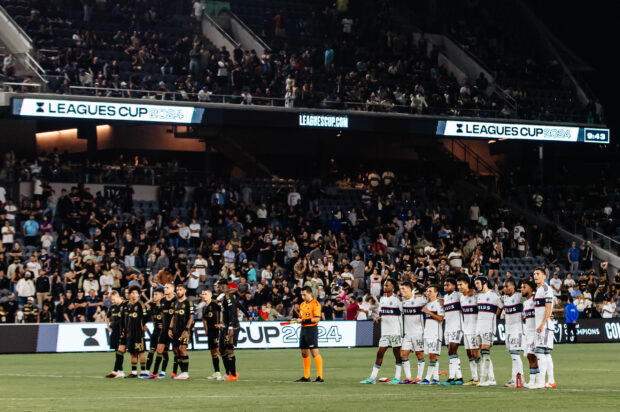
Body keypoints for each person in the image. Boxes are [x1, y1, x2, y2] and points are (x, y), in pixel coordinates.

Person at [360, 278, 402, 384]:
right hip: (385, 332)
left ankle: (397, 377)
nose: (385, 287)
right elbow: (381, 313)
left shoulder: (397, 299)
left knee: (397, 354)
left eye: (387, 285)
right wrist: (378, 318)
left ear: (393, 287)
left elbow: (403, 314)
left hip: (395, 331)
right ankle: (372, 377)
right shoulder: (382, 299)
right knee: (380, 353)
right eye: (384, 285)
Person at [474, 276, 502, 386]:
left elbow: (502, 306)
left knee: (485, 353)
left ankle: (482, 379)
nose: (476, 285)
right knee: (483, 354)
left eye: (477, 283)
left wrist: (495, 314)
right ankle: (492, 379)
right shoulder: (479, 296)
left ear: (484, 282)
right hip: (479, 327)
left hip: (488, 327)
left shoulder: (494, 295)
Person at [530, 268, 555, 389]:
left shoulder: (546, 288)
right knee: (545, 353)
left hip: (544, 326)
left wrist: (542, 324)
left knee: (540, 352)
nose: (535, 276)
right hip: (544, 325)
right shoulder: (539, 290)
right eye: (534, 274)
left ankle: (541, 382)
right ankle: (550, 381)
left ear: (544, 276)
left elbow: (548, 307)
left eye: (538, 274)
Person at [293, 286, 324, 382]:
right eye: (302, 295)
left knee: (314, 352)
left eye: (304, 295)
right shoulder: (302, 304)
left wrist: (303, 320)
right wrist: (298, 320)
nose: (303, 297)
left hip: (311, 329)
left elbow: (317, 318)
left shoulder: (315, 304)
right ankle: (306, 377)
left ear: (310, 294)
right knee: (304, 353)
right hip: (303, 329)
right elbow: (301, 318)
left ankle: (320, 377)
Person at [398, 284, 426, 384]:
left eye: (403, 288)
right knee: (404, 355)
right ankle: (408, 378)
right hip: (407, 333)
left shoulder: (419, 300)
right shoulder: (402, 302)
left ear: (410, 289)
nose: (401, 291)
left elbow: (431, 298)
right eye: (400, 289)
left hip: (418, 332)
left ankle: (418, 378)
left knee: (419, 355)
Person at [457, 275, 481, 385]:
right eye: (458, 285)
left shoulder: (475, 296)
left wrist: (474, 291)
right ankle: (474, 378)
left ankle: (482, 377)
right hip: (465, 329)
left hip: (474, 329)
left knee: (475, 354)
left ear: (467, 284)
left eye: (461, 284)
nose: (459, 287)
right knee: (469, 354)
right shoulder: (461, 298)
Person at [501, 278, 524, 387]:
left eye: (507, 286)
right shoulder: (504, 298)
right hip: (508, 329)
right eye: (504, 286)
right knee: (512, 354)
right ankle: (514, 377)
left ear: (514, 286)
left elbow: (530, 300)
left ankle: (519, 379)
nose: (505, 288)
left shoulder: (519, 296)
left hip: (517, 329)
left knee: (515, 354)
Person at [216, 279, 241, 381]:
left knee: (229, 349)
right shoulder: (224, 297)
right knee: (222, 350)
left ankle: (233, 374)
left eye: (220, 286)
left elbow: (231, 312)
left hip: (230, 327)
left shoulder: (228, 296)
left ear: (224, 286)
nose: (219, 288)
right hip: (224, 327)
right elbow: (239, 305)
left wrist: (230, 326)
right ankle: (228, 373)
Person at [150, 283, 176, 379]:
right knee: (159, 350)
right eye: (164, 287)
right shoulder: (163, 301)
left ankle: (174, 373)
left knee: (176, 351)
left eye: (167, 287)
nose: (165, 289)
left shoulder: (176, 300)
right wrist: (162, 323)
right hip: (164, 329)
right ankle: (155, 373)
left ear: (173, 289)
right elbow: (162, 313)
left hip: (174, 329)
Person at [420, 284, 444, 385]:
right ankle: (436, 379)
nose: (428, 293)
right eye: (427, 291)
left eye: (430, 291)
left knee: (432, 356)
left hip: (435, 333)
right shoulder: (427, 304)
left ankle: (427, 378)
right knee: (431, 356)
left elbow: (441, 318)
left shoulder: (439, 304)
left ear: (436, 292)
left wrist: (428, 312)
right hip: (427, 333)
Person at [169, 283, 194, 380]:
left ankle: (185, 372)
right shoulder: (175, 303)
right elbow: (173, 317)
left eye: (180, 289)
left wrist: (187, 330)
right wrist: (170, 329)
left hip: (184, 330)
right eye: (177, 290)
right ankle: (182, 372)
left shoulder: (188, 303)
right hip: (175, 330)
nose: (178, 291)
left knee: (182, 349)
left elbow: (191, 318)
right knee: (176, 350)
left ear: (184, 291)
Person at [441, 277, 463, 385]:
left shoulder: (458, 295)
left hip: (457, 327)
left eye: (447, 285)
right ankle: (459, 378)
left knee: (452, 352)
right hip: (448, 327)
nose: (445, 287)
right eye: (444, 285)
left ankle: (451, 378)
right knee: (452, 352)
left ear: (454, 286)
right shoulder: (445, 297)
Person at [124, 286, 148, 378]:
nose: (133, 295)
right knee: (132, 352)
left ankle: (143, 372)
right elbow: (126, 319)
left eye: (135, 293)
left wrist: (142, 325)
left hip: (138, 333)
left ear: (138, 294)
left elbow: (145, 317)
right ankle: (133, 372)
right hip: (130, 333)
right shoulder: (128, 305)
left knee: (140, 352)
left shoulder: (141, 304)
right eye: (132, 293)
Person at [201, 289, 224, 380]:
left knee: (219, 351)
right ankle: (217, 372)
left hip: (217, 331)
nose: (203, 295)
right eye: (203, 294)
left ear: (210, 295)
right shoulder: (204, 307)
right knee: (213, 353)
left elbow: (225, 312)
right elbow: (204, 319)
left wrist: (221, 324)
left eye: (205, 294)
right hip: (210, 332)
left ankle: (230, 371)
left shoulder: (215, 304)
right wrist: (206, 329)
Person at [142, 287, 164, 378]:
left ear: (162, 295)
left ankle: (158, 372)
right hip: (156, 329)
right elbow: (144, 305)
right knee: (151, 350)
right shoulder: (153, 305)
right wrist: (151, 300)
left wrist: (165, 325)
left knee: (161, 351)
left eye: (156, 294)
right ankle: (147, 371)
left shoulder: (165, 305)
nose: (154, 296)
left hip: (163, 331)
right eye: (153, 294)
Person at [105, 291, 126, 378]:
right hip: (114, 331)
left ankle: (115, 371)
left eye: (113, 299)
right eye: (111, 300)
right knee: (116, 351)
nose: (113, 301)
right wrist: (108, 326)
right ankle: (120, 371)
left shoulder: (124, 306)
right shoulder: (112, 307)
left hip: (122, 331)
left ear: (118, 296)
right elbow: (107, 317)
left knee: (120, 351)